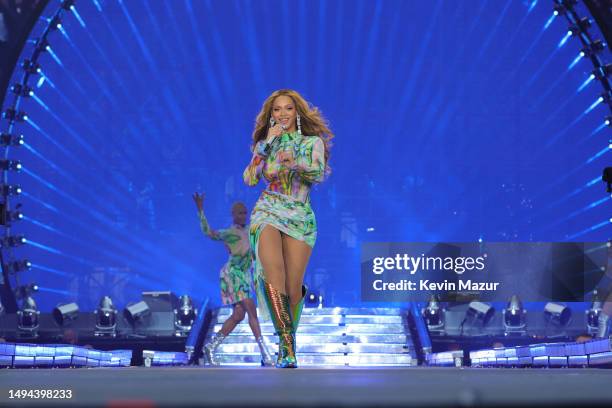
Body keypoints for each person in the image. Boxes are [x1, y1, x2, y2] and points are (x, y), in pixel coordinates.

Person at [243, 89, 333, 368]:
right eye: (277, 110)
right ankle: (288, 347)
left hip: (299, 217)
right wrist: (264, 146)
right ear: (271, 116)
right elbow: (249, 179)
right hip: (267, 211)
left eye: (288, 109)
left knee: (293, 289)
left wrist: (294, 162)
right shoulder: (265, 144)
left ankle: (286, 342)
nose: (282, 114)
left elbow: (318, 172)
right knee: (274, 275)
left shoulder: (311, 142)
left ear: (297, 113)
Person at [193, 192, 274, 366]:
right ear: (233, 215)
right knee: (251, 309)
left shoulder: (250, 233)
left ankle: (211, 347)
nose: (243, 216)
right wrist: (200, 209)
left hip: (243, 276)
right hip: (232, 274)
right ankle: (265, 354)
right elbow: (208, 232)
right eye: (240, 213)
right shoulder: (230, 233)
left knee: (238, 315)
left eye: (245, 213)